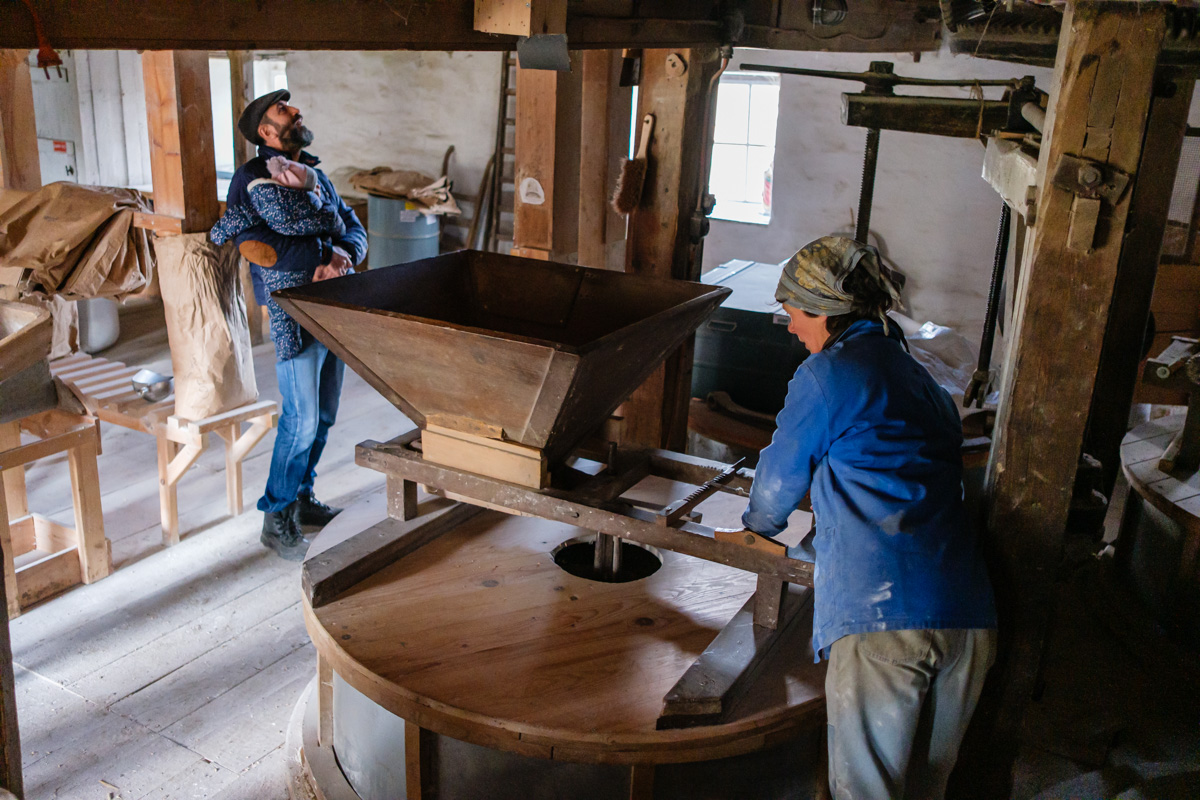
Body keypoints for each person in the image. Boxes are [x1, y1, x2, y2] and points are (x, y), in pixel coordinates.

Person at [736, 236, 997, 799]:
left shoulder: (827, 375)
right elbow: (904, 486)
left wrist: (757, 529)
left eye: (793, 312)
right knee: (927, 788)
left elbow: (779, 481)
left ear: (824, 311)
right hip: (969, 616)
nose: (790, 327)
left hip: (885, 618)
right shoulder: (921, 379)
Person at [224, 90, 367, 562]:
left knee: (323, 415)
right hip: (292, 311)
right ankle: (277, 514)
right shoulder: (251, 179)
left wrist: (343, 253)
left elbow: (353, 226)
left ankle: (303, 498)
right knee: (300, 418)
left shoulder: (316, 175)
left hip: (333, 306)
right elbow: (256, 245)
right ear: (267, 131)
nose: (296, 111)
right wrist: (324, 253)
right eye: (283, 110)